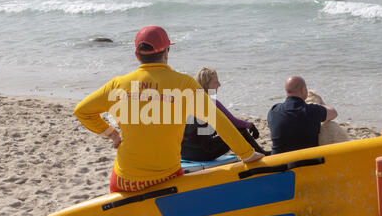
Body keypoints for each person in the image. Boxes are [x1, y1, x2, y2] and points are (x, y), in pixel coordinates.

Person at [74, 26, 264, 193]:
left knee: (119, 174)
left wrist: (113, 134)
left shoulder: (118, 84)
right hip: (167, 177)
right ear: (166, 52)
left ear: (136, 55)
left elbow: (82, 111)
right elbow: (218, 120)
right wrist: (247, 153)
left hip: (127, 181)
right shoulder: (184, 84)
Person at [181, 67, 271, 161]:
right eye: (216, 82)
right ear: (207, 84)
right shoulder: (211, 101)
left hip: (184, 153)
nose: (219, 85)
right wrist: (250, 125)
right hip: (203, 153)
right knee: (241, 131)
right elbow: (233, 122)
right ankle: (262, 154)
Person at [267, 76, 338, 155]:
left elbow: (270, 126)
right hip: (306, 162)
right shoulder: (312, 110)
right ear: (303, 90)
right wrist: (321, 104)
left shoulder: (273, 111)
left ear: (287, 91)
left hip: (278, 162)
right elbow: (334, 113)